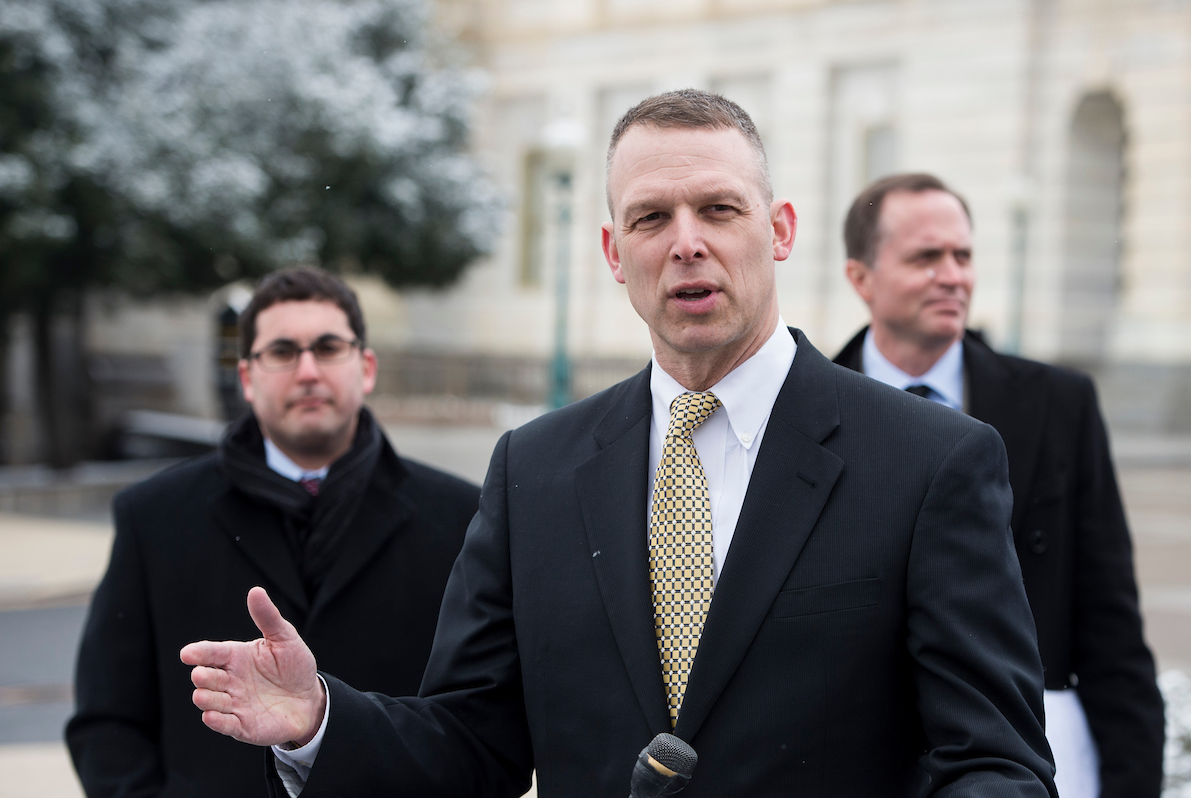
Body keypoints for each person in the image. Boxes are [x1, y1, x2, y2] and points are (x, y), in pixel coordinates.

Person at [182, 91, 1057, 797]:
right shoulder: (535, 472)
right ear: (612, 250)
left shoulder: (931, 461)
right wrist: (319, 720)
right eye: (650, 218)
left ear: (780, 230)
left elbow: (997, 764)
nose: (687, 244)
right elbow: (470, 744)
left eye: (719, 208)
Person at [66, 267, 480, 798]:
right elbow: (108, 722)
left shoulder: (461, 518)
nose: (307, 371)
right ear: (246, 378)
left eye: (329, 348)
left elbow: (475, 729)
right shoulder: (153, 516)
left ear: (367, 367)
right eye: (282, 352)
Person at [834, 172, 1165, 798]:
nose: (953, 275)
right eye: (926, 257)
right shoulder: (808, 412)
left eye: (963, 255)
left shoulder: (1060, 404)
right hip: (868, 763)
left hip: (1034, 755)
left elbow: (1110, 620)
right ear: (861, 279)